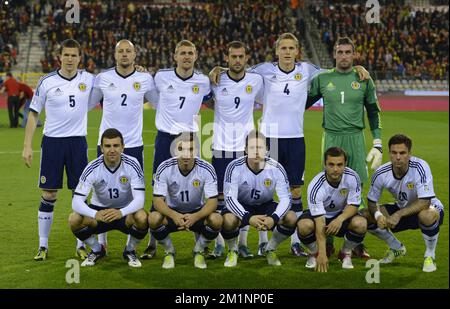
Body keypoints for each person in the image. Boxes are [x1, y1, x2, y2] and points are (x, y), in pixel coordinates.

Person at [210, 33, 369, 257]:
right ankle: (258, 242)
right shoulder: (264, 70)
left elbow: (338, 71)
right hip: (269, 138)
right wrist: (217, 68)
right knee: (261, 189)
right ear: (277, 52)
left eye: (291, 48)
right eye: (283, 48)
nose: (287, 52)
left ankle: (295, 243)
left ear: (297, 51)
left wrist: (358, 68)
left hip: (295, 138)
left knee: (295, 190)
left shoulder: (307, 70)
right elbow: (238, 69)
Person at [306, 37, 382, 259]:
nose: (344, 56)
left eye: (348, 52)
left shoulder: (364, 79)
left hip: (355, 139)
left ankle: (356, 242)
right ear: (334, 54)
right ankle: (327, 241)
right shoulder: (322, 79)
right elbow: (301, 102)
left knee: (356, 185)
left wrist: (377, 141)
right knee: (329, 185)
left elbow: (374, 112)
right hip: (331, 137)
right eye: (340, 52)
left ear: (354, 54)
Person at [22, 39, 95, 261]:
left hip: (77, 144)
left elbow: (117, 79)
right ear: (59, 57)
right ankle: (43, 246)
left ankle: (81, 244)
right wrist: (27, 146)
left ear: (80, 58)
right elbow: (33, 114)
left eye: (74, 55)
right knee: (49, 193)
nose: (70, 59)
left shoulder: (89, 79)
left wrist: (138, 68)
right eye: (66, 55)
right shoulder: (46, 82)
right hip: (52, 143)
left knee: (79, 195)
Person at [141, 40, 213, 259]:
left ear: (196, 55)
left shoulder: (203, 81)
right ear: (174, 56)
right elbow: (150, 96)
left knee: (196, 188)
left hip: (190, 140)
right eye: (182, 53)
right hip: (165, 138)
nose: (186, 57)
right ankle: (153, 244)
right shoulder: (161, 77)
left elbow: (212, 98)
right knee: (158, 188)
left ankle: (201, 243)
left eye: (190, 53)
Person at [89, 39, 157, 256]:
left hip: (134, 144)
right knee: (101, 189)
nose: (125, 54)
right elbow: (89, 104)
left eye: (128, 51)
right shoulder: (103, 78)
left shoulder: (145, 78)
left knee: (132, 191)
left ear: (135, 54)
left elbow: (158, 103)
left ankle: (130, 245)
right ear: (115, 54)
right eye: (121, 51)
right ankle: (102, 241)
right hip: (105, 144)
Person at [207, 41, 264, 259]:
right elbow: (209, 102)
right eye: (233, 56)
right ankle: (220, 244)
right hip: (221, 147)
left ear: (246, 58)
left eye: (241, 56)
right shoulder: (215, 80)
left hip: (245, 149)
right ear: (227, 58)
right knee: (219, 198)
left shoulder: (256, 79)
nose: (237, 60)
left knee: (244, 197)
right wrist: (216, 70)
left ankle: (242, 243)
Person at [69, 128, 148, 268]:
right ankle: (97, 249)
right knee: (74, 219)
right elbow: (76, 202)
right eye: (108, 146)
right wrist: (95, 214)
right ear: (101, 148)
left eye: (116, 146)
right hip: (100, 213)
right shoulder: (92, 167)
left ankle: (130, 250)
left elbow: (140, 199)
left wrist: (121, 212)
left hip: (124, 212)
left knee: (142, 217)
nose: (112, 150)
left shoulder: (133, 164)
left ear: (123, 147)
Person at [364, 134, 444, 272]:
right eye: (394, 153)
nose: (398, 157)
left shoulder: (420, 167)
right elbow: (371, 201)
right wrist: (378, 215)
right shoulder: (381, 173)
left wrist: (398, 215)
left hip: (427, 208)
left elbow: (425, 202)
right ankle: (396, 248)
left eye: (402, 153)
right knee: (365, 215)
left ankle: (429, 256)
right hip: (403, 208)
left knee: (427, 215)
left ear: (409, 154)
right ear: (389, 154)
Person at [221, 130, 297, 267]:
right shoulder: (234, 167)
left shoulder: (276, 168)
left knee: (291, 218)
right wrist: (247, 218)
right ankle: (233, 250)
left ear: (267, 150)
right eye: (252, 148)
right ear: (245, 150)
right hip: (242, 205)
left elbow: (286, 199)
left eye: (260, 147)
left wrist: (273, 218)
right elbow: (230, 199)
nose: (256, 151)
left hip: (265, 205)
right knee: (227, 220)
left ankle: (270, 248)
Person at [148, 132, 222, 269]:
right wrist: (174, 215)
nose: (186, 154)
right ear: (175, 150)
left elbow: (212, 202)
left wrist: (195, 217)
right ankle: (169, 251)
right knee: (153, 218)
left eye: (191, 149)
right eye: (181, 149)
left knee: (217, 220)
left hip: (196, 213)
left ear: (197, 150)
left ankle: (198, 250)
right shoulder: (164, 168)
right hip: (172, 213)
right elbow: (157, 201)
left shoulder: (207, 169)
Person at [297, 147, 367, 272]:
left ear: (345, 165)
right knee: (303, 225)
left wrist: (340, 219)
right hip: (320, 217)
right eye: (331, 164)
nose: (335, 169)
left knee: (361, 223)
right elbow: (319, 222)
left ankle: (345, 253)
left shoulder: (352, 177)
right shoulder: (316, 186)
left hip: (341, 214)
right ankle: (314, 253)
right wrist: (322, 253)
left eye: (340, 165)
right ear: (325, 165)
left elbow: (354, 205)